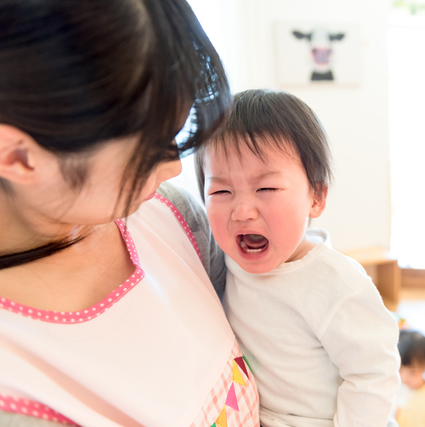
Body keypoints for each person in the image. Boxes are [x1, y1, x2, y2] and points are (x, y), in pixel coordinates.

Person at [0, 1, 259, 426]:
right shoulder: (15, 389)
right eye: (149, 150)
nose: (175, 167)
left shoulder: (171, 216)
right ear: (19, 157)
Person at [195, 89, 401, 427]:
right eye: (221, 192)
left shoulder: (335, 282)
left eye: (266, 189)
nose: (242, 211)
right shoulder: (222, 259)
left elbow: (373, 371)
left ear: (316, 197)